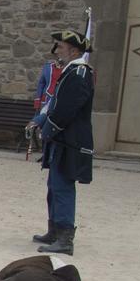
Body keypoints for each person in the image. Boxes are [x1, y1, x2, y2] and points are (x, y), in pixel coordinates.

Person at [35, 29, 93, 254]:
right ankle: (55, 230)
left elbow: (67, 109)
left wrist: (49, 129)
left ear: (74, 50)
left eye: (60, 46)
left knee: (63, 186)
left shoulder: (79, 73)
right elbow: (55, 104)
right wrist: (40, 121)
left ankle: (65, 238)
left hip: (70, 138)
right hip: (61, 137)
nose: (57, 50)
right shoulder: (70, 71)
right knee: (54, 185)